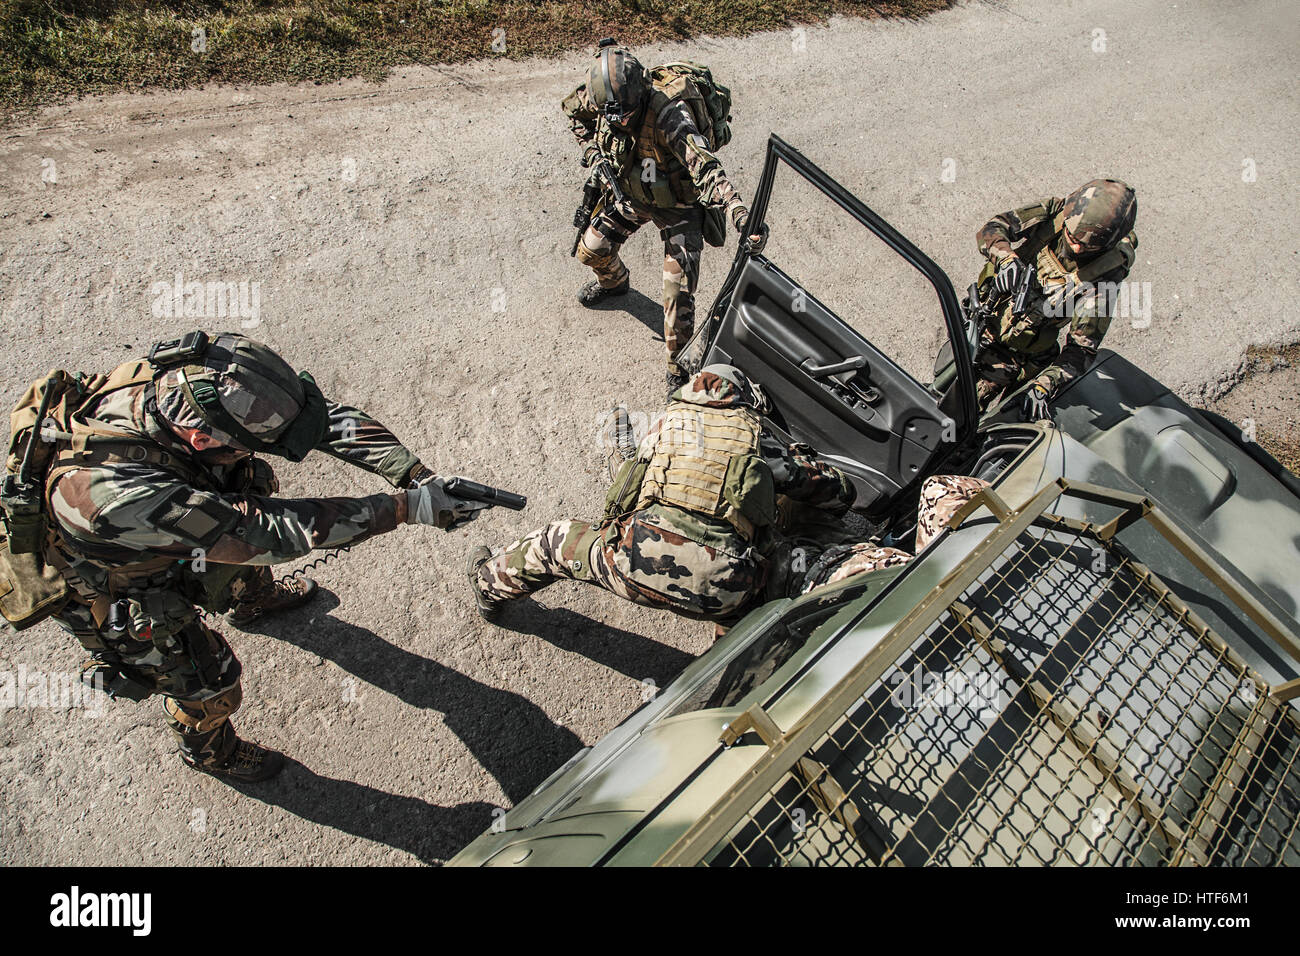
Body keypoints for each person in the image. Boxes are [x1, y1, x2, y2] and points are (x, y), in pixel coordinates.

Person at [1, 330, 489, 782]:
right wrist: (406, 509)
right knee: (206, 679)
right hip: (118, 581)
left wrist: (411, 474)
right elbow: (266, 532)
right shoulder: (115, 495)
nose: (271, 449)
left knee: (241, 495)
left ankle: (250, 598)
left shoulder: (194, 381)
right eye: (254, 444)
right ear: (201, 439)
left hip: (177, 525)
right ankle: (209, 750)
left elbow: (316, 421)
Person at [468, 365, 853, 626]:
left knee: (554, 543)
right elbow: (838, 493)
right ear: (745, 402)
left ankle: (487, 586)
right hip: (726, 591)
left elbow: (627, 490)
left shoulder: (666, 426)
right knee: (767, 557)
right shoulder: (759, 443)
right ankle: (728, 640)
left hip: (631, 565)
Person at [562, 40, 764, 390]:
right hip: (632, 192)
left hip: (678, 206)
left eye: (625, 114)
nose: (619, 121)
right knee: (591, 250)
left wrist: (739, 212)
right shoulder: (599, 98)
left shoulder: (670, 115)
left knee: (677, 295)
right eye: (611, 116)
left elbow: (707, 168)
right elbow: (574, 115)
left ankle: (678, 366)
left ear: (639, 95)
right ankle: (615, 284)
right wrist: (593, 151)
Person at [970, 179, 1138, 419]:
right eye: (1073, 237)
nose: (1078, 249)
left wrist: (1044, 385)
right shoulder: (1056, 213)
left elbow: (1081, 349)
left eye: (1088, 245)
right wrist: (1005, 258)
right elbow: (994, 228)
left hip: (1019, 355)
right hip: (983, 317)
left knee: (967, 416)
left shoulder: (1106, 272)